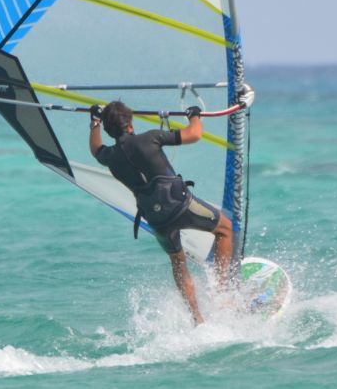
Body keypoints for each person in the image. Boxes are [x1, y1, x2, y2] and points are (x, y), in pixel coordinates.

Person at [88, 100, 237, 325]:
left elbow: (95, 149)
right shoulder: (150, 137)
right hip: (181, 205)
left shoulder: (108, 156)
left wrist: (94, 123)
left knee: (178, 262)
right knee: (224, 228)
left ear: (110, 131)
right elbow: (194, 134)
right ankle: (223, 293)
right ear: (130, 124)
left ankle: (197, 317)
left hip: (156, 219)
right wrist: (194, 114)